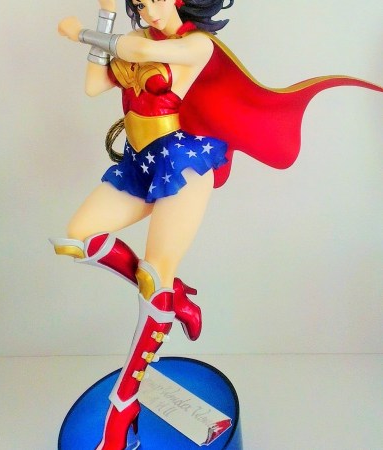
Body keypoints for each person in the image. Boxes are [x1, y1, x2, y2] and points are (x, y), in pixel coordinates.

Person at [52, 1, 381, 449]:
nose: (148, 9)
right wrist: (103, 21)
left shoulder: (198, 45)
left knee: (153, 276)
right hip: (138, 166)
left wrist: (85, 32)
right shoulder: (138, 40)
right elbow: (94, 85)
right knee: (77, 236)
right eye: (139, 2)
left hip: (183, 167)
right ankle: (172, 298)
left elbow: (136, 51)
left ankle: (122, 407)